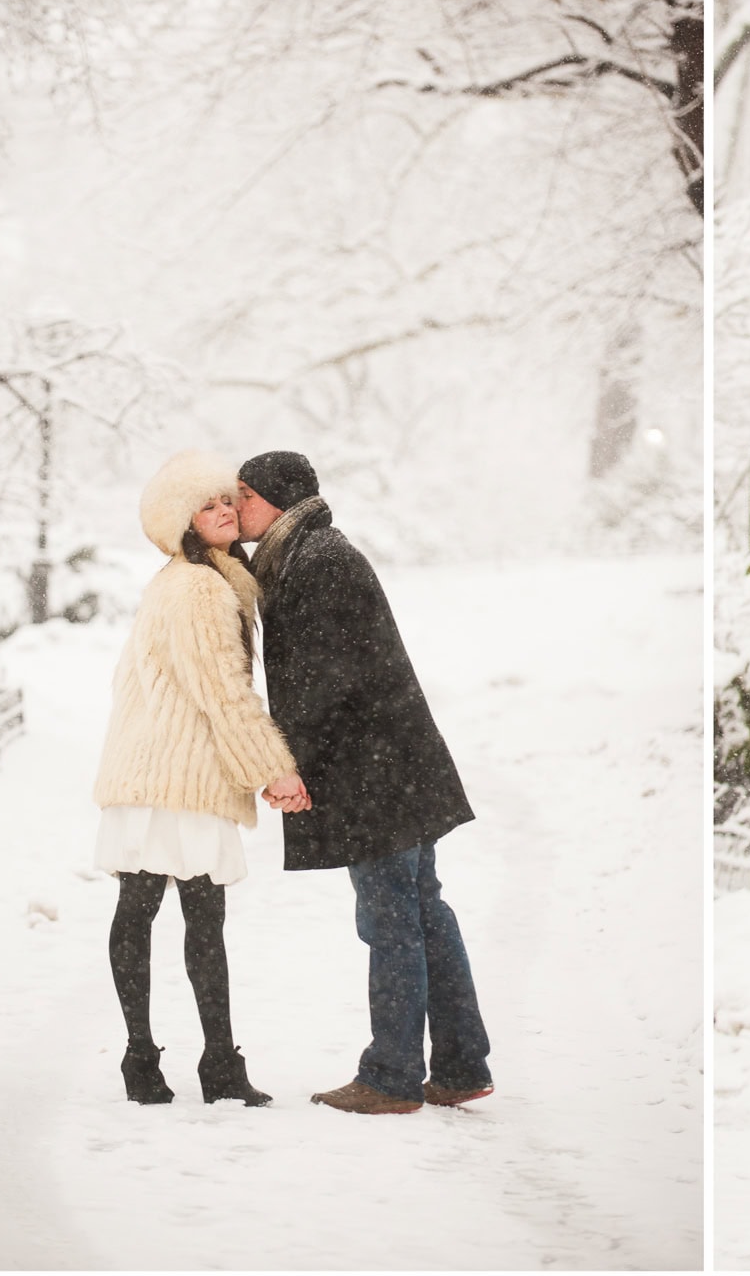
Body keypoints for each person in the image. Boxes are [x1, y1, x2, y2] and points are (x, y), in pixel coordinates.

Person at [234, 450, 492, 1115]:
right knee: (422, 911)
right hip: (394, 763)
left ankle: (392, 1074)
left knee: (393, 919)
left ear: (280, 498)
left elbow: (321, 683)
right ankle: (460, 1066)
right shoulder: (309, 553)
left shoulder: (316, 562)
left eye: (245, 496)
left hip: (377, 771)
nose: (236, 509)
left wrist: (285, 766)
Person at [92, 449, 310, 1106]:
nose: (222, 510)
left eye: (226, 500)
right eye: (207, 504)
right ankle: (159, 1057)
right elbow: (223, 691)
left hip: (169, 770)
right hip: (175, 777)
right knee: (161, 911)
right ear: (180, 521)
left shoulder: (203, 578)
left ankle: (203, 1061)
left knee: (178, 913)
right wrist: (273, 768)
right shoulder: (197, 587)